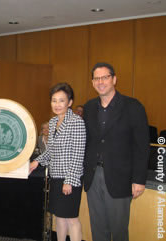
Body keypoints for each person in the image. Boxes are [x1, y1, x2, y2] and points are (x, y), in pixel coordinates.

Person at [83, 62, 150, 241]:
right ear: (92, 82)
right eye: (96, 78)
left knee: (119, 231)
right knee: (97, 229)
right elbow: (87, 141)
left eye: (105, 77)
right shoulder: (88, 107)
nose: (100, 82)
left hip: (120, 177)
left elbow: (142, 146)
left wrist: (139, 179)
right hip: (93, 176)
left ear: (114, 79)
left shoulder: (133, 106)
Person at [30, 83, 86, 241]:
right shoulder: (53, 122)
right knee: (59, 218)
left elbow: (78, 154)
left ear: (69, 102)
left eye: (61, 100)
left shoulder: (76, 122)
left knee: (71, 219)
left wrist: (69, 181)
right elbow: (51, 150)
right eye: (54, 100)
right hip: (56, 177)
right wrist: (36, 162)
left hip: (70, 179)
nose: (57, 104)